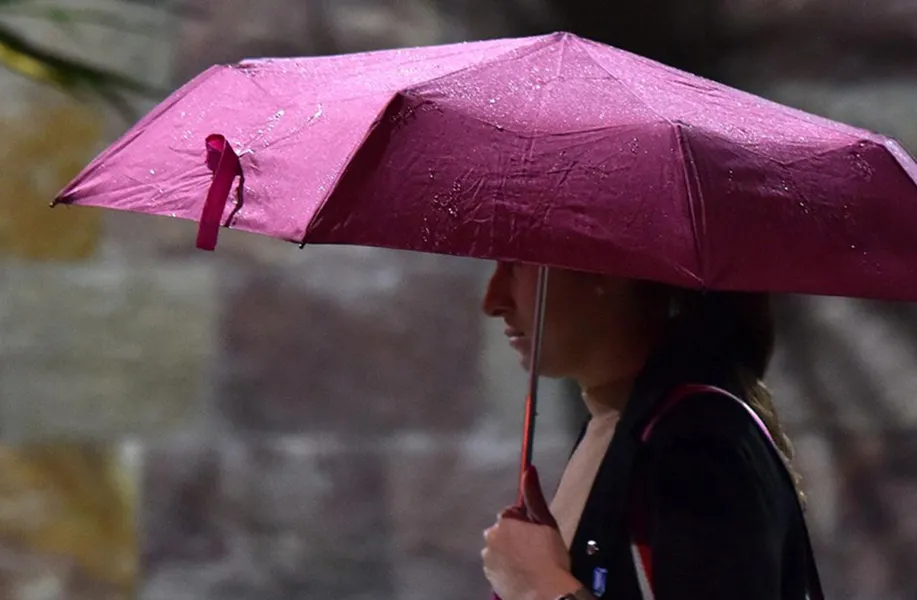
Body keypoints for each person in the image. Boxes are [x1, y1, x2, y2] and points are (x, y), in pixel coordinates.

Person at [479, 262, 821, 600]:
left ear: (605, 269)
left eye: (517, 266)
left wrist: (539, 587)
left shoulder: (698, 443)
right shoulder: (616, 424)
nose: (493, 301)